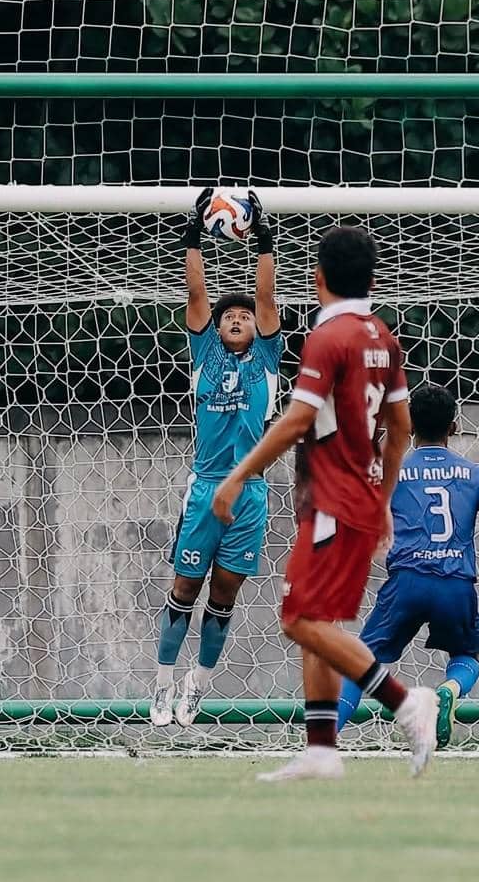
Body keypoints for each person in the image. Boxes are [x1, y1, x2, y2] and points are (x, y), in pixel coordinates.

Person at [212, 225, 438, 782]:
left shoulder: (329, 336)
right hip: (353, 498)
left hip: (334, 501)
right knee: (320, 618)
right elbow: (401, 424)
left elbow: (298, 418)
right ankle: (321, 749)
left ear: (316, 279)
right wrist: (382, 495)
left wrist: (238, 474)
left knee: (296, 618)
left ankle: (407, 701)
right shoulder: (382, 336)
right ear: (373, 277)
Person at [151, 188, 284, 727]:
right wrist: (192, 238)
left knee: (223, 597)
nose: (235, 318)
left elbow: (267, 298)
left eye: (243, 316)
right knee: (184, 589)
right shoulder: (204, 354)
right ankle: (161, 686)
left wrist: (265, 241)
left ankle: (196, 688)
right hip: (206, 487)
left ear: (256, 329)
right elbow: (198, 295)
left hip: (249, 494)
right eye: (229, 314)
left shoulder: (268, 361)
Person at [336, 383, 479, 747]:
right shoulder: (475, 474)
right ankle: (447, 690)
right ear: (454, 427)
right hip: (456, 582)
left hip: (407, 580)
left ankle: (324, 739)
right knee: (466, 655)